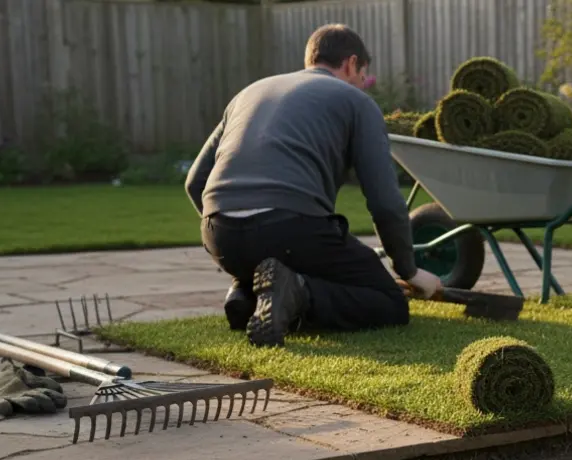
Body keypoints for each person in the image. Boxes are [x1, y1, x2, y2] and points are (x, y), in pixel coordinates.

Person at [184, 23, 441, 348]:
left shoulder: (248, 92)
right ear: (351, 64)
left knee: (285, 258)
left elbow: (195, 182)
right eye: (363, 76)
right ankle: (297, 292)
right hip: (289, 230)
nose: (363, 85)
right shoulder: (356, 102)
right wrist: (409, 270)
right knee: (388, 301)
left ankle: (247, 293)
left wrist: (231, 238)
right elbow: (385, 202)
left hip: (220, 236)